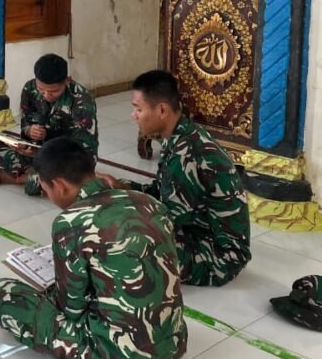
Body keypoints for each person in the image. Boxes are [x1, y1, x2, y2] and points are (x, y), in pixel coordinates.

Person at [0, 137, 187, 359]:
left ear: (60, 186)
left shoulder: (71, 222)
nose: (48, 196)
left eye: (46, 190)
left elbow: (71, 309)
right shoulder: (149, 203)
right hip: (172, 344)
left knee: (2, 292)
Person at [100, 70, 250, 287]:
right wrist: (119, 186)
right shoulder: (179, 136)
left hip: (219, 258)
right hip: (199, 233)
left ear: (162, 110)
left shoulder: (186, 153)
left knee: (122, 237)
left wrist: (119, 209)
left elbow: (165, 219)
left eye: (139, 109)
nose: (134, 115)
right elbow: (160, 192)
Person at [0, 53, 97, 195]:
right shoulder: (30, 88)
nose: (46, 95)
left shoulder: (82, 101)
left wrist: (45, 154)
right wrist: (29, 131)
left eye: (54, 91)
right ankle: (36, 175)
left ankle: (24, 178)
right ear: (36, 80)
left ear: (67, 80)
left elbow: (84, 151)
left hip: (66, 159)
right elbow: (25, 124)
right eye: (41, 89)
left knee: (69, 183)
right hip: (38, 151)